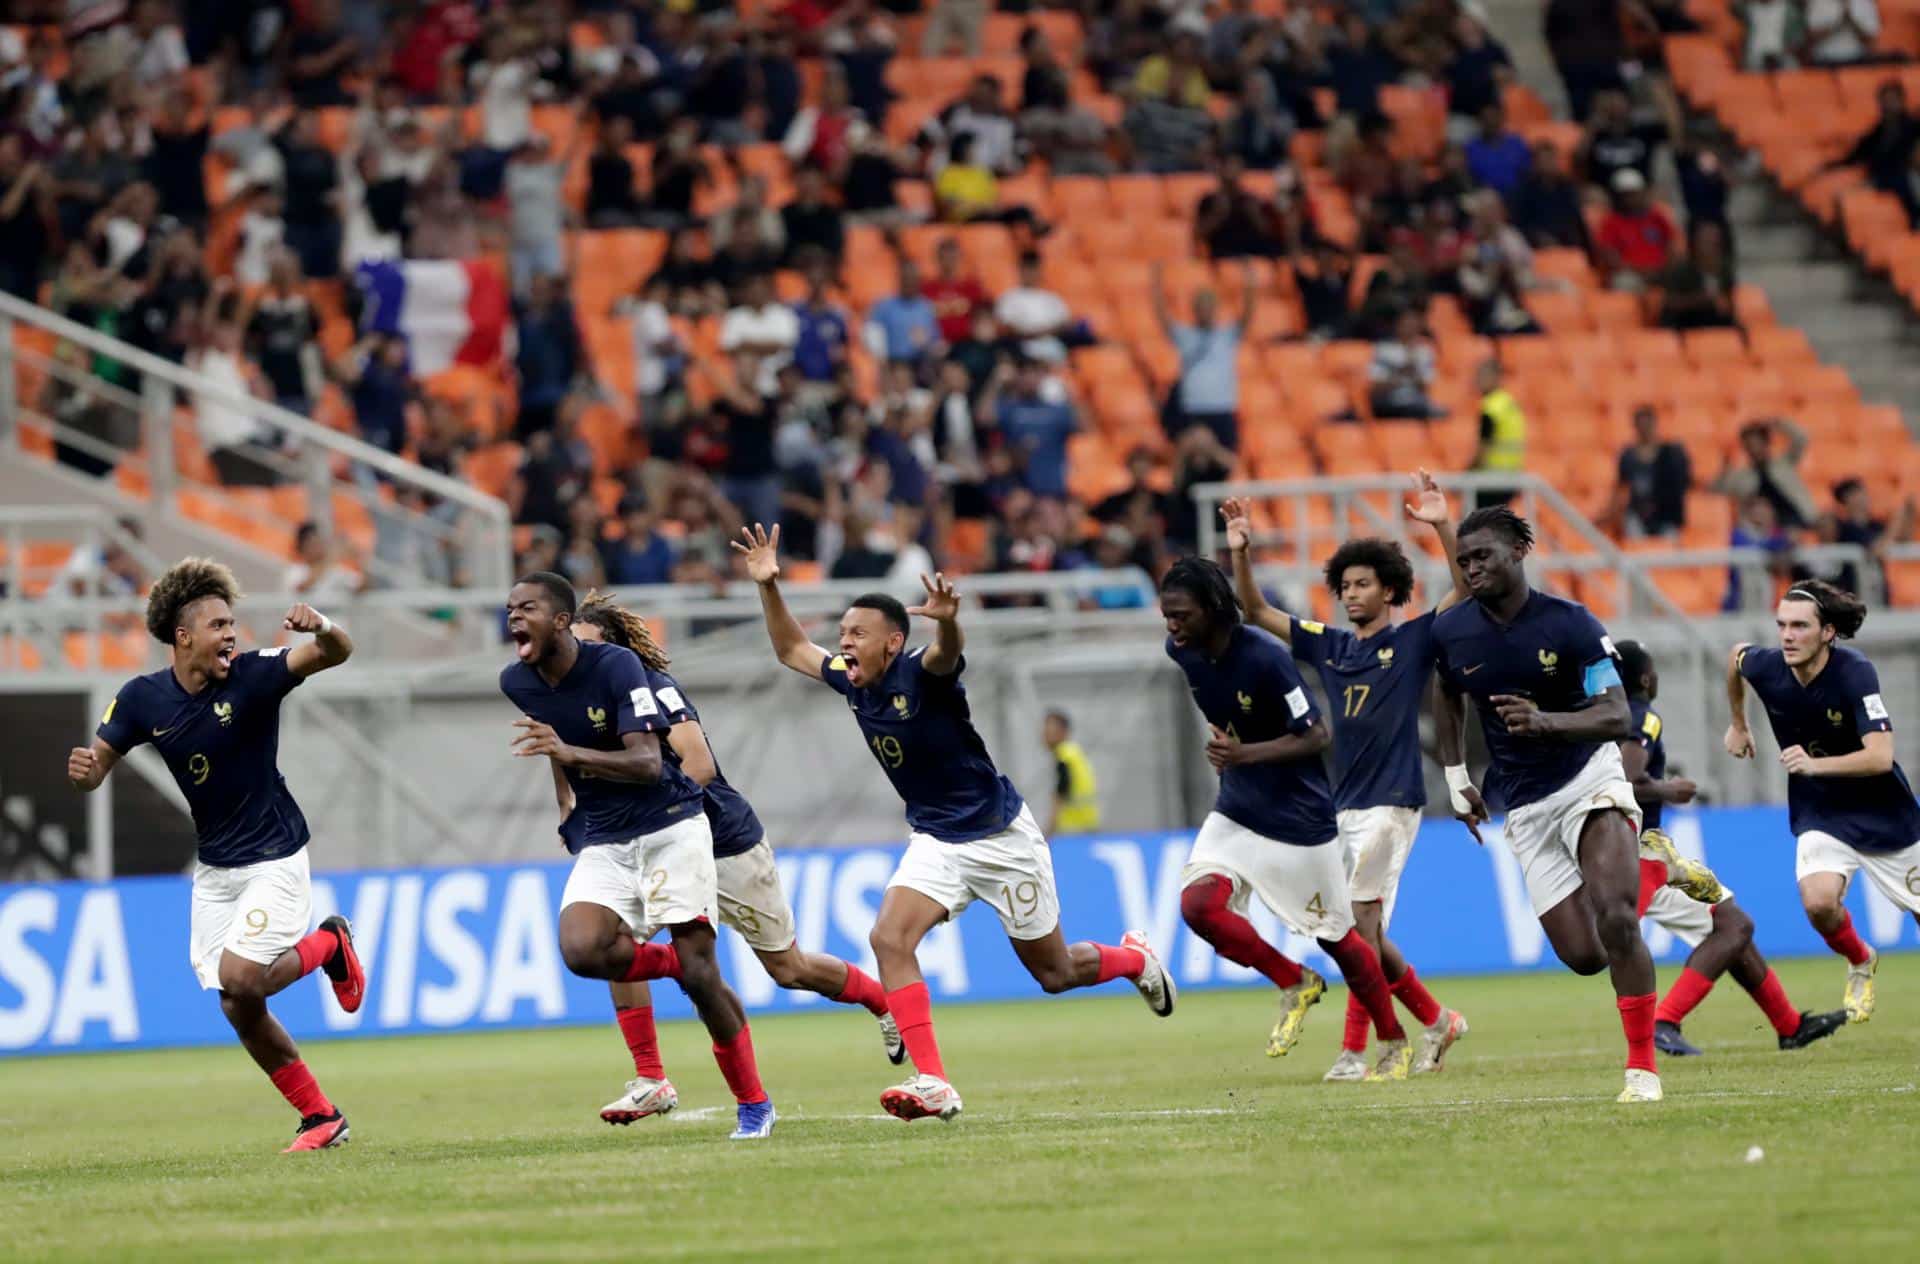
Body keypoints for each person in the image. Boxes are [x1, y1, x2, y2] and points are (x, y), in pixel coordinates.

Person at [731, 526, 1174, 1122]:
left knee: (1056, 970)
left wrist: (945, 621)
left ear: (893, 642)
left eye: (856, 635)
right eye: (841, 635)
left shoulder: (922, 673)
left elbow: (945, 653)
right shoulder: (852, 681)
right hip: (937, 840)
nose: (843, 645)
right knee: (888, 939)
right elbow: (791, 650)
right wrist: (770, 585)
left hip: (999, 836)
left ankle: (1136, 959)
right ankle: (934, 1080)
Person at [564, 593, 901, 1124]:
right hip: (650, 844)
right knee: (616, 945)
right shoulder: (579, 706)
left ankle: (883, 1002)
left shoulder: (654, 690)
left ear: (618, 649)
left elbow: (697, 766)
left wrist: (650, 809)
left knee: (789, 969)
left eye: (590, 647)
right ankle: (651, 1077)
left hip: (721, 842)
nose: (580, 659)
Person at [66, 559, 364, 1152]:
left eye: (233, 623)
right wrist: (86, 771)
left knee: (241, 977)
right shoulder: (141, 698)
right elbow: (98, 763)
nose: (232, 633)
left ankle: (329, 943)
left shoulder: (255, 675)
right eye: (218, 624)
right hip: (217, 870)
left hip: (276, 855)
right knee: (236, 1002)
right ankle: (321, 1117)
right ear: (183, 638)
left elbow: (337, 651)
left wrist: (322, 625)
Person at [1433, 506, 1716, 1102]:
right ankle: (1658, 873)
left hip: (1590, 779)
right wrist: (1457, 775)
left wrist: (1546, 722)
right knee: (1586, 955)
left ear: (1518, 551)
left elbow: (1615, 714)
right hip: (1528, 807)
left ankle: (1642, 1069)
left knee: (1616, 914)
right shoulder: (1454, 632)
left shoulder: (1570, 624)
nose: (1472, 567)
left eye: (1483, 555)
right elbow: (1448, 695)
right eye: (1463, 561)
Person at [499, 572, 776, 1141]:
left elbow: (648, 763)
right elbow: (559, 753)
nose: (513, 618)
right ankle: (680, 964)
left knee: (705, 982)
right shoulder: (516, 681)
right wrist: (568, 809)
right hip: (605, 837)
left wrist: (567, 751)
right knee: (581, 950)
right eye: (509, 609)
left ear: (559, 621)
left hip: (671, 826)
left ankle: (754, 1104)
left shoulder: (616, 668)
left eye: (526, 608)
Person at [1220, 479, 1472, 1081]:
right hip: (1342, 808)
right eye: (1346, 585)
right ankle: (1437, 1021)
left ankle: (1358, 1052)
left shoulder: (1409, 641)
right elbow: (1254, 612)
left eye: (1363, 584)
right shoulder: (1331, 646)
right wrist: (1241, 552)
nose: (1352, 594)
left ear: (1389, 589)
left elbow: (1464, 589)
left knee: (1356, 928)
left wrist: (1441, 525)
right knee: (1357, 933)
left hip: (1393, 806)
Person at [1158, 558, 1414, 1078]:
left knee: (1339, 939)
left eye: (1180, 615)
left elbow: (1317, 734)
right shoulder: (1181, 652)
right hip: (1237, 809)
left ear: (1211, 609)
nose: (1171, 626)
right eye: (1167, 615)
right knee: (1197, 906)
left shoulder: (1266, 659)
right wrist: (1230, 748)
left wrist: (1243, 753)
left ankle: (1394, 1041)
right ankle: (1293, 980)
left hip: (1299, 821)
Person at [1615, 640, 1848, 1055]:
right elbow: (1627, 782)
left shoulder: (1604, 720)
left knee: (1732, 927)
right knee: (1734, 927)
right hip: (1637, 854)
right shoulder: (1643, 718)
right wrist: (1673, 789)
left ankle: (1789, 1025)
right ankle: (1664, 1021)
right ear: (1647, 678)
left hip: (1625, 853)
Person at [1725, 579, 1920, 1025]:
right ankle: (1860, 960)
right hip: (1822, 812)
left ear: (1827, 632)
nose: (1787, 636)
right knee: (1818, 903)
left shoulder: (1855, 672)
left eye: (1799, 626)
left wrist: (1815, 767)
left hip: (1884, 812)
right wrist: (1738, 724)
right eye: (1781, 626)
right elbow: (1735, 657)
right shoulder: (1767, 666)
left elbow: (1880, 756)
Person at [1153, 261, 1254, 451]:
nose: (1205, 311)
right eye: (1200, 307)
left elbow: (1247, 316)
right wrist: (1156, 285)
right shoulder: (1185, 336)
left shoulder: (1227, 335)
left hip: (1222, 407)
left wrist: (1250, 285)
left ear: (1215, 309)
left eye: (1208, 306)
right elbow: (1162, 317)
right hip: (1194, 409)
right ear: (1194, 310)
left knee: (1225, 457)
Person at [1610, 406, 1692, 537]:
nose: (1645, 430)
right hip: (1638, 514)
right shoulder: (1628, 456)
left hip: (1665, 514)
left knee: (1669, 540)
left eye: (1648, 425)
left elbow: (1684, 483)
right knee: (1633, 533)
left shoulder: (1670, 454)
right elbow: (1620, 487)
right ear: (1635, 427)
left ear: (1654, 424)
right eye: (1641, 426)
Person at [1469, 358, 1526, 507]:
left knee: (1473, 522)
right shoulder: (1510, 403)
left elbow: (1484, 445)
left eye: (1482, 376)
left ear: (1495, 377)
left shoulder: (1491, 408)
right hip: (1511, 476)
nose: (1478, 381)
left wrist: (1469, 471)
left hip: (1491, 478)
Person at [1043, 710, 1099, 836]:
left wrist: (1049, 830)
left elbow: (1061, 793)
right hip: (1088, 824)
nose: (1044, 735)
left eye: (1049, 729)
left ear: (1063, 731)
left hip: (1072, 828)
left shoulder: (1064, 756)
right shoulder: (1076, 753)